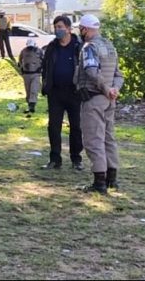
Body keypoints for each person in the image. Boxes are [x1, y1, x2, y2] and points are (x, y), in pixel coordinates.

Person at [76, 14, 124, 194]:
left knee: (93, 139)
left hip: (94, 98)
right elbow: (119, 75)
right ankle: (112, 179)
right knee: (109, 138)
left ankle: (99, 182)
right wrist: (114, 90)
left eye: (80, 28)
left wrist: (105, 89)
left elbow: (91, 71)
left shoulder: (90, 47)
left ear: (85, 29)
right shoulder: (110, 47)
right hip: (109, 100)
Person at [41, 15, 84, 170]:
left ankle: (76, 159)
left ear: (68, 28)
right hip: (55, 93)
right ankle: (55, 159)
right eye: (55, 27)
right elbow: (45, 67)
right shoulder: (52, 47)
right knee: (53, 126)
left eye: (60, 27)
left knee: (76, 127)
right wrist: (45, 85)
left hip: (74, 93)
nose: (57, 30)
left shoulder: (79, 46)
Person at [18, 39, 43, 114]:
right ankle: (29, 104)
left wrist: (41, 68)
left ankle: (32, 105)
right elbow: (20, 60)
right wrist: (21, 68)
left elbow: (44, 60)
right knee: (28, 90)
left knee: (34, 89)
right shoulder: (23, 51)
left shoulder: (39, 51)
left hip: (36, 73)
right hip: (26, 74)